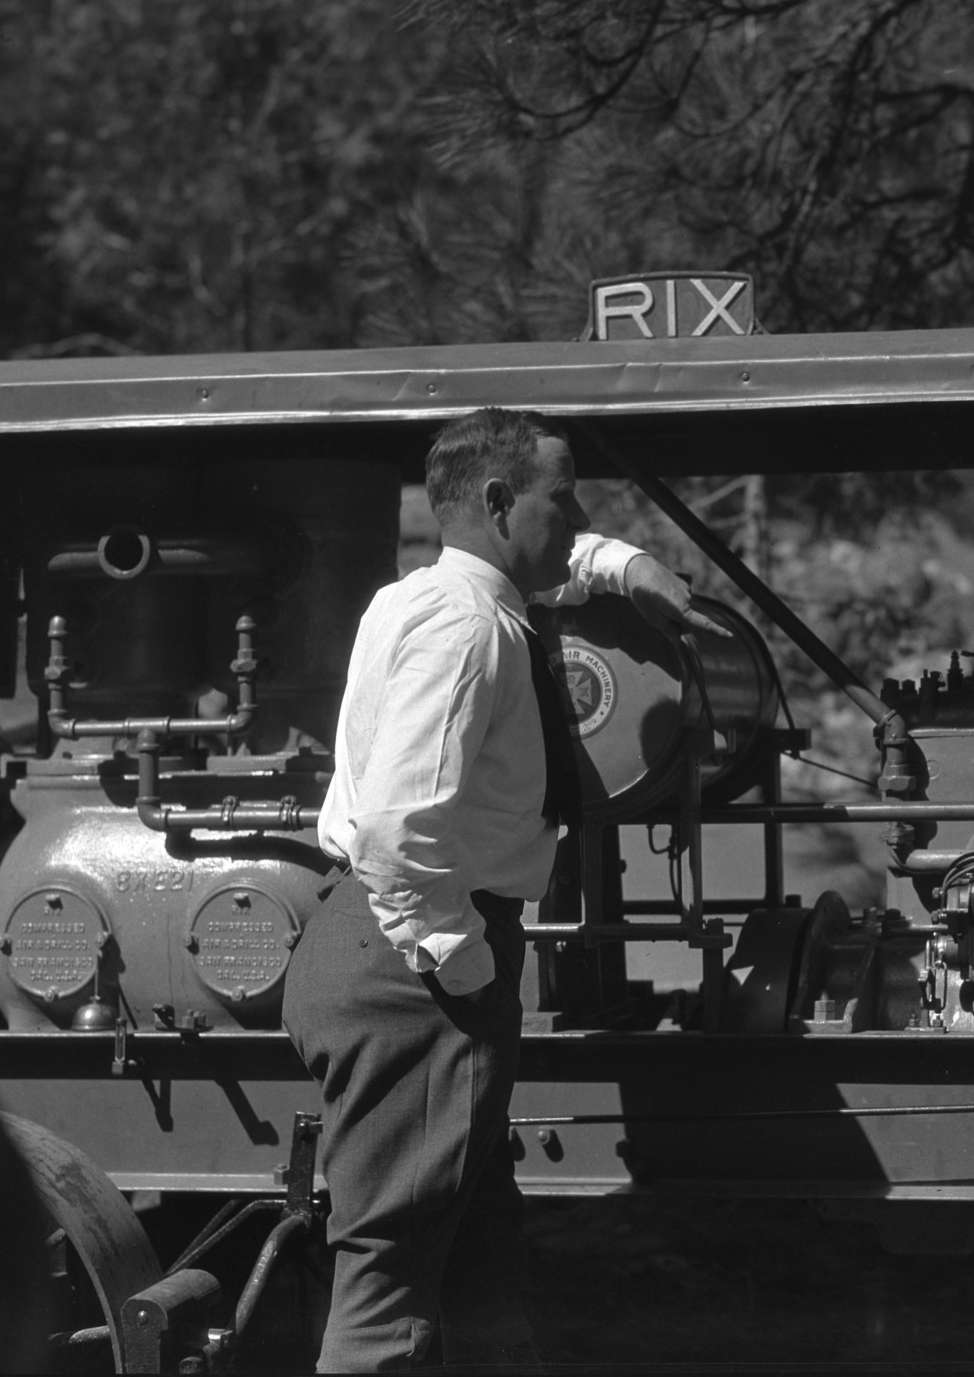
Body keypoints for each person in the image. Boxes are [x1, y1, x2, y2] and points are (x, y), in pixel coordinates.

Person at [283, 407, 725, 1371]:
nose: (576, 518)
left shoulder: (422, 598)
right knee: (390, 1279)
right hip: (419, 957)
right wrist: (468, 961)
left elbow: (548, 561)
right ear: (494, 502)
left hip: (380, 940)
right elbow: (402, 829)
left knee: (475, 1254)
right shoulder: (471, 629)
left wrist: (626, 568)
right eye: (562, 497)